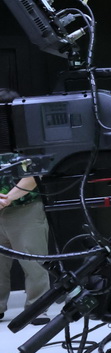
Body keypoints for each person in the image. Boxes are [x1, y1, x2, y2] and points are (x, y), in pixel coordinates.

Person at [0, 87, 52, 321]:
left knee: (33, 261)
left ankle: (36, 307)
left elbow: (34, 175)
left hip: (25, 210)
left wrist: (8, 198)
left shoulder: (30, 137)